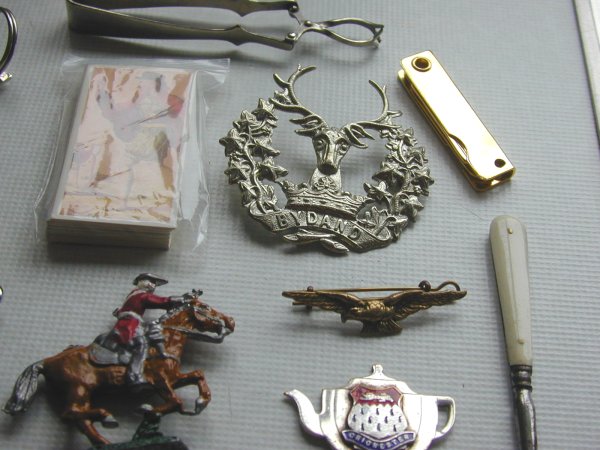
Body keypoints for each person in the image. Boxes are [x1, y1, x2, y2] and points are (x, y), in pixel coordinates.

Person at [113, 273, 183, 385]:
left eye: (154, 284)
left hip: (128, 322)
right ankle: (134, 375)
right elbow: (161, 301)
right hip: (129, 325)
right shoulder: (142, 295)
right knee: (141, 344)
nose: (153, 286)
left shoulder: (133, 294)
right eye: (151, 282)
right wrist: (179, 299)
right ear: (142, 282)